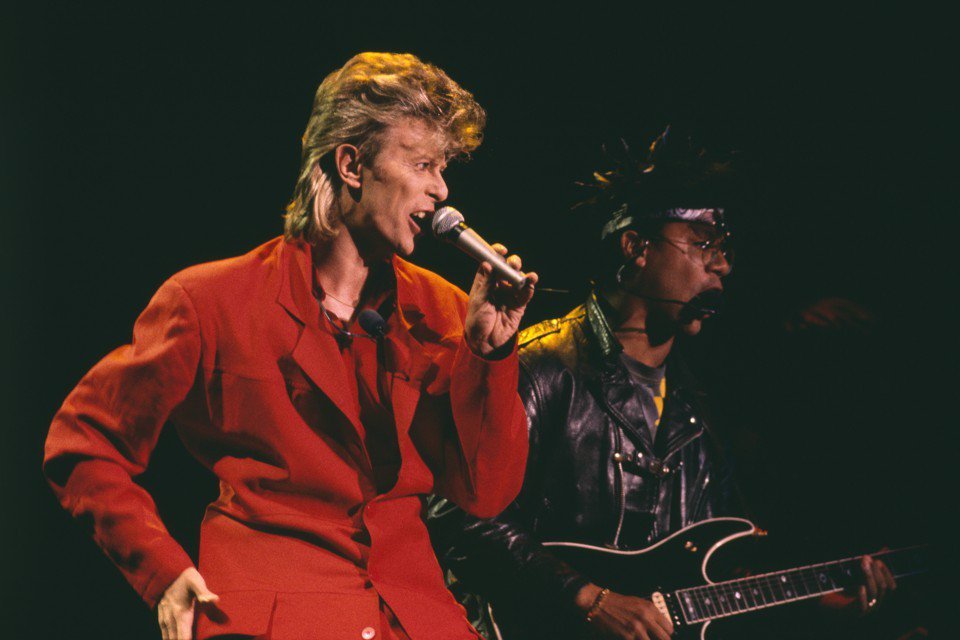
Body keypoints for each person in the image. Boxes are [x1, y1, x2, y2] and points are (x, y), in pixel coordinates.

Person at [43, 52, 537, 640]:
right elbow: (84, 444)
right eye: (423, 164)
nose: (442, 189)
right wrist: (160, 571)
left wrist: (489, 355)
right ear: (352, 164)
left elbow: (485, 493)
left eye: (444, 167)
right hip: (275, 614)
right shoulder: (210, 301)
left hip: (413, 614)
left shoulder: (444, 311)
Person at [428, 128, 895, 640]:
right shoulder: (541, 367)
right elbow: (459, 516)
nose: (722, 264)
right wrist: (586, 598)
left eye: (725, 248)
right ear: (637, 247)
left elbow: (717, 582)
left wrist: (818, 608)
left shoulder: (700, 408)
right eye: (703, 243)